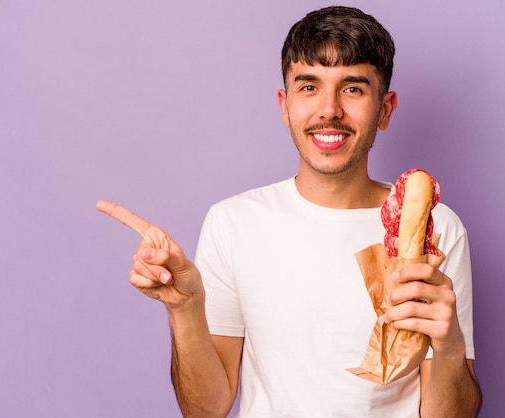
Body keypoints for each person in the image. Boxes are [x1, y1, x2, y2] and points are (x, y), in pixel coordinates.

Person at [97, 6, 482, 417]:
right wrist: (184, 309)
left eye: (353, 88)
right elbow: (205, 409)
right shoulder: (234, 223)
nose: (329, 109)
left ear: (385, 109)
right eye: (309, 87)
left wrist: (450, 346)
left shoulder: (435, 229)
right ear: (284, 105)